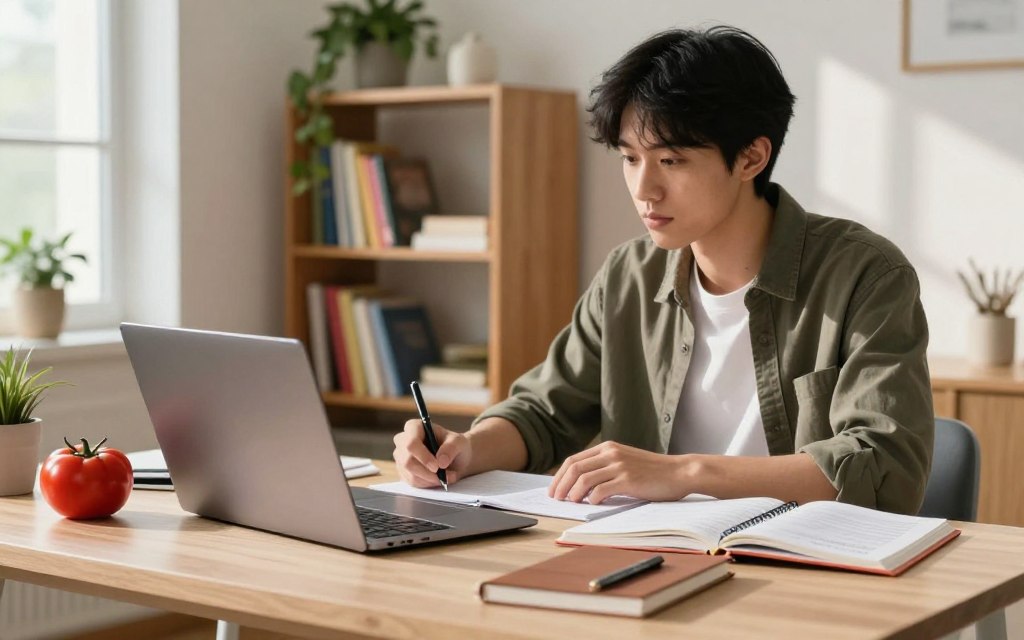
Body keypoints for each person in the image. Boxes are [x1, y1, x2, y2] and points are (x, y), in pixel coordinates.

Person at [392, 26, 933, 515]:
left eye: (670, 161)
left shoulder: (865, 274)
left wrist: (683, 473)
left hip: (806, 567)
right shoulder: (629, 275)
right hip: (655, 554)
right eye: (630, 158)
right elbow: (544, 410)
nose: (643, 189)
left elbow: (881, 464)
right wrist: (466, 448)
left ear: (751, 157)